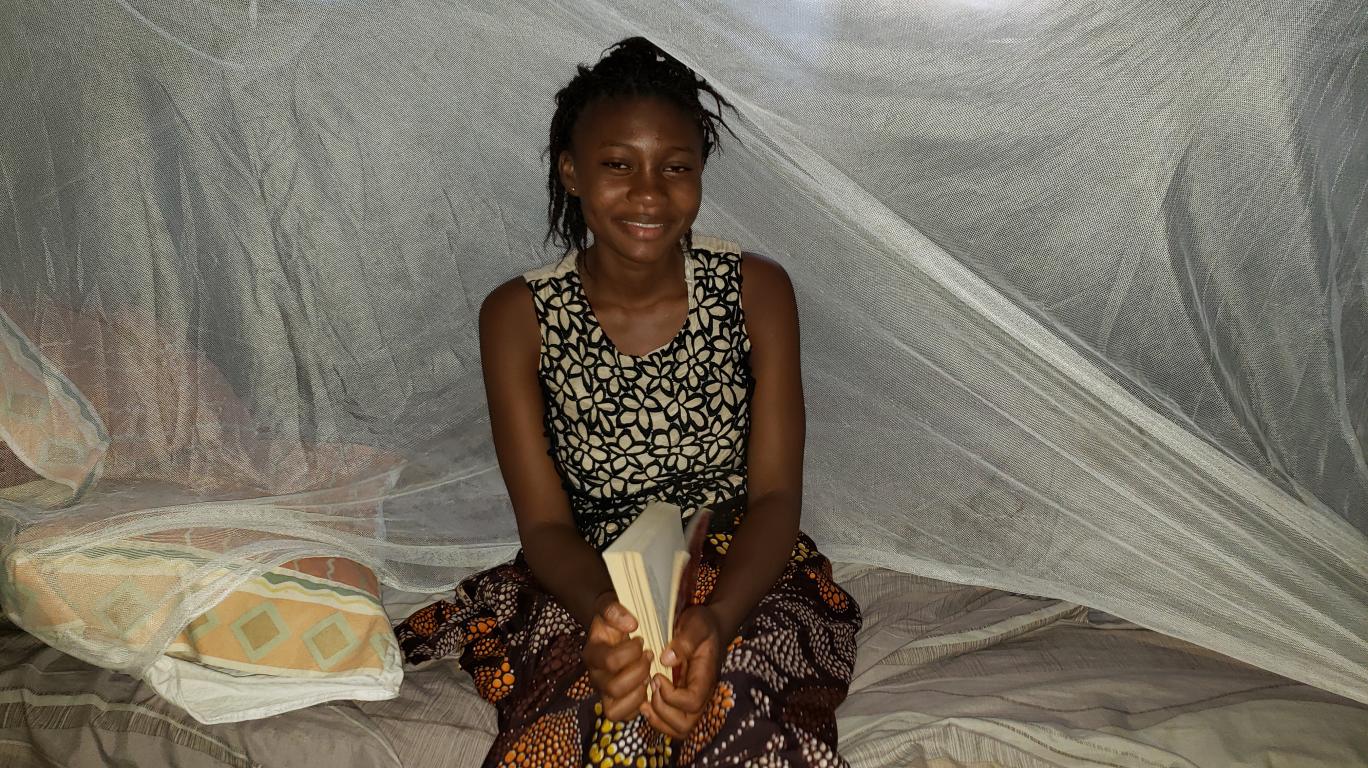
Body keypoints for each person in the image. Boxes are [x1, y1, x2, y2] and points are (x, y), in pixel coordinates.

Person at [395, 37, 861, 767]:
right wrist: (605, 619)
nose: (649, 194)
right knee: (604, 707)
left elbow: (775, 495)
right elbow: (545, 525)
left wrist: (717, 619)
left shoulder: (756, 292)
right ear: (572, 171)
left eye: (675, 167)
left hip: (744, 570)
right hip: (591, 577)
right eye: (618, 165)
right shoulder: (518, 317)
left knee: (729, 688)